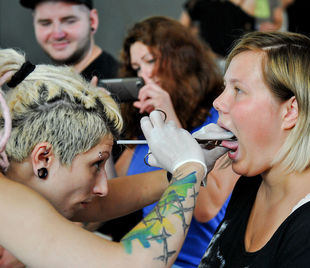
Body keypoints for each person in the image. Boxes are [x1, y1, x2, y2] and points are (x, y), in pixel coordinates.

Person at [170, 31, 310, 266]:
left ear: (290, 111)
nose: (219, 103)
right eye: (226, 87)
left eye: (238, 90)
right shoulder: (256, 181)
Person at [0, 48, 212, 267]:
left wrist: (190, 164)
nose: (103, 187)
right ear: (43, 158)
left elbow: (102, 204)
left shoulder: (22, 179)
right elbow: (134, 264)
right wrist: (188, 170)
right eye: (96, 164)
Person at [112, 16, 240, 268]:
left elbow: (206, 209)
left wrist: (169, 115)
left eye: (150, 61)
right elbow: (112, 192)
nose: (144, 74)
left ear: (182, 59)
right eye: (137, 68)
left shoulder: (220, 119)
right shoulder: (147, 123)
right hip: (150, 257)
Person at [19, 0, 119, 81]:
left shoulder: (122, 85)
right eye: (45, 23)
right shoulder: (39, 86)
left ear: (92, 21)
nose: (57, 34)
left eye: (70, 21)